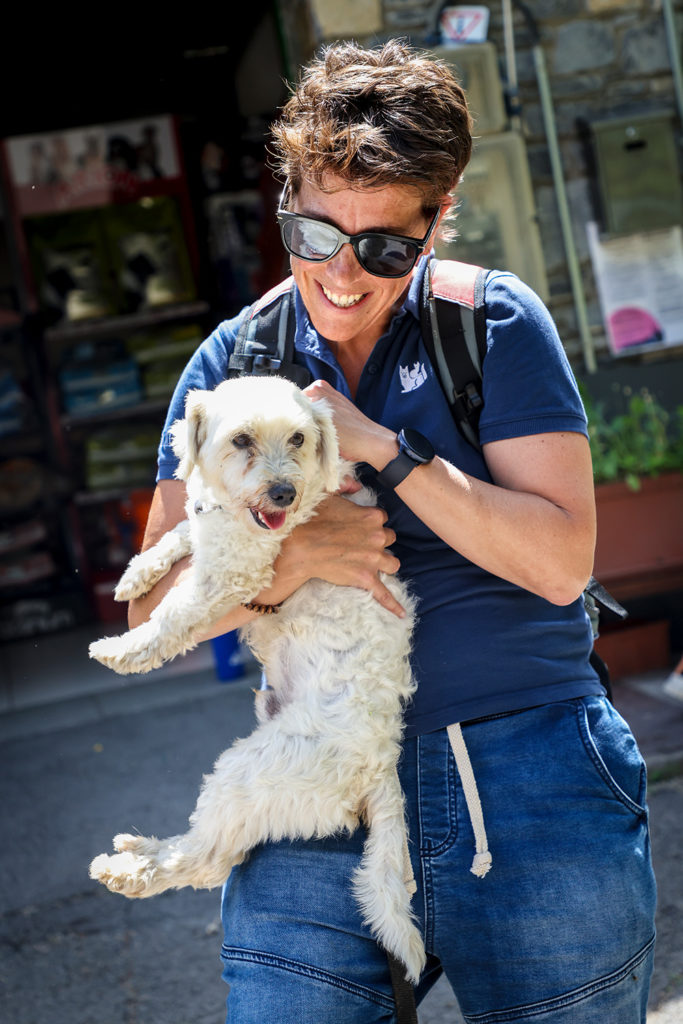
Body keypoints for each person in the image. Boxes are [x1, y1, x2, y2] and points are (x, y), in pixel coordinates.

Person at [129, 39, 656, 1023]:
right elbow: (153, 605)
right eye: (314, 232)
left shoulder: (488, 323)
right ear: (284, 199)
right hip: (317, 778)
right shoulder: (232, 364)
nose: (340, 273)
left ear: (435, 218)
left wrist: (387, 450)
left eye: (381, 248)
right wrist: (291, 558)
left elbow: (557, 565)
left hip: (525, 767)